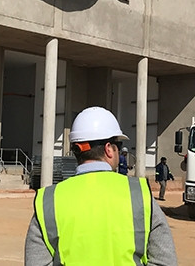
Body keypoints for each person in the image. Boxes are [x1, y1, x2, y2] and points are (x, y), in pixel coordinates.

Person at [24, 106, 177, 265]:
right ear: (109, 149)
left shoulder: (49, 201)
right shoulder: (140, 196)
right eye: (117, 146)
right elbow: (165, 261)